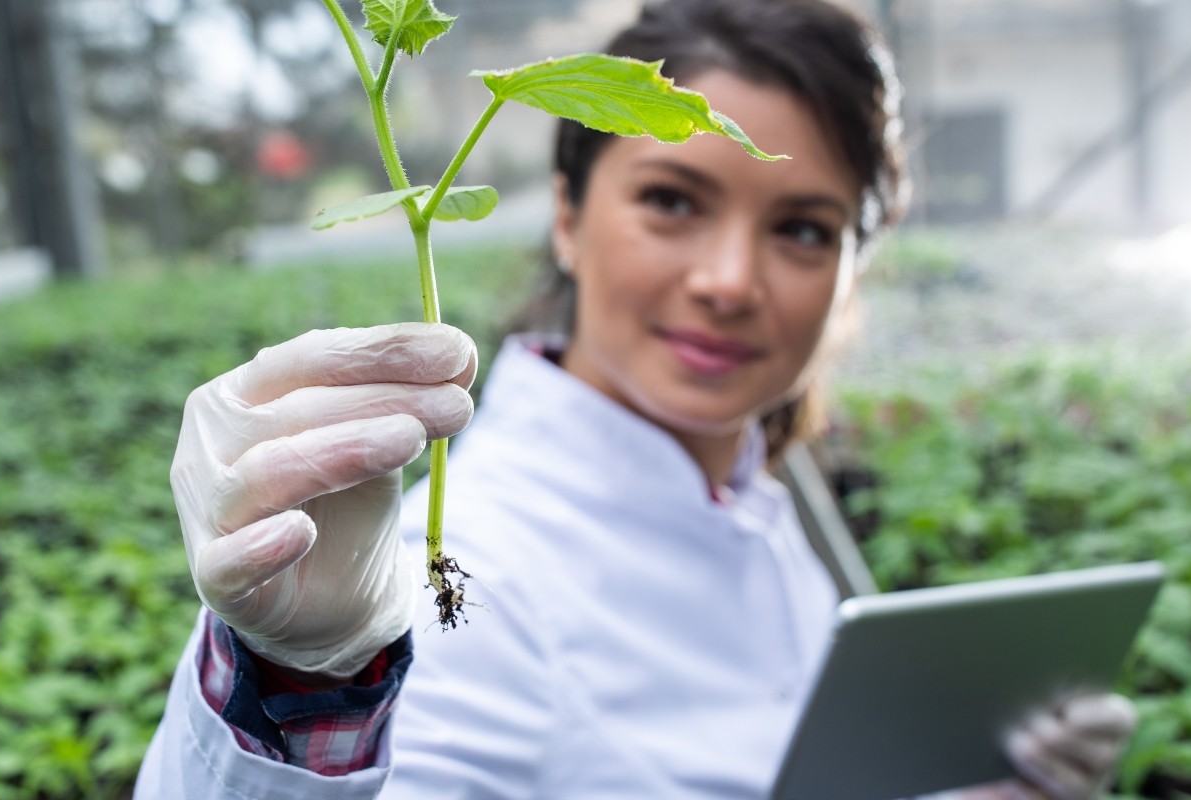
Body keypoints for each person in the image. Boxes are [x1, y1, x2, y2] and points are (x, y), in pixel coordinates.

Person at [139, 0, 1139, 797]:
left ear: (851, 270)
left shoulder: (753, 484)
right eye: (671, 200)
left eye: (802, 229)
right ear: (567, 216)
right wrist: (303, 683)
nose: (730, 280)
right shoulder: (470, 568)